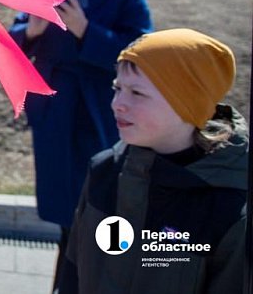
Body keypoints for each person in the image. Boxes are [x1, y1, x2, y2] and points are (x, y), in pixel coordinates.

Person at [8, 0, 152, 284]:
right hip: (55, 111)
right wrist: (32, 29)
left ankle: (100, 279)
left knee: (102, 206)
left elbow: (141, 52)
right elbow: (14, 40)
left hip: (101, 111)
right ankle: (67, 278)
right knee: (65, 210)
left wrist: (87, 31)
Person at [57, 28, 248, 294]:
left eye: (137, 93)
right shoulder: (105, 171)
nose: (117, 104)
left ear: (187, 102)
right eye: (118, 88)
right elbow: (73, 271)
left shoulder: (230, 206)